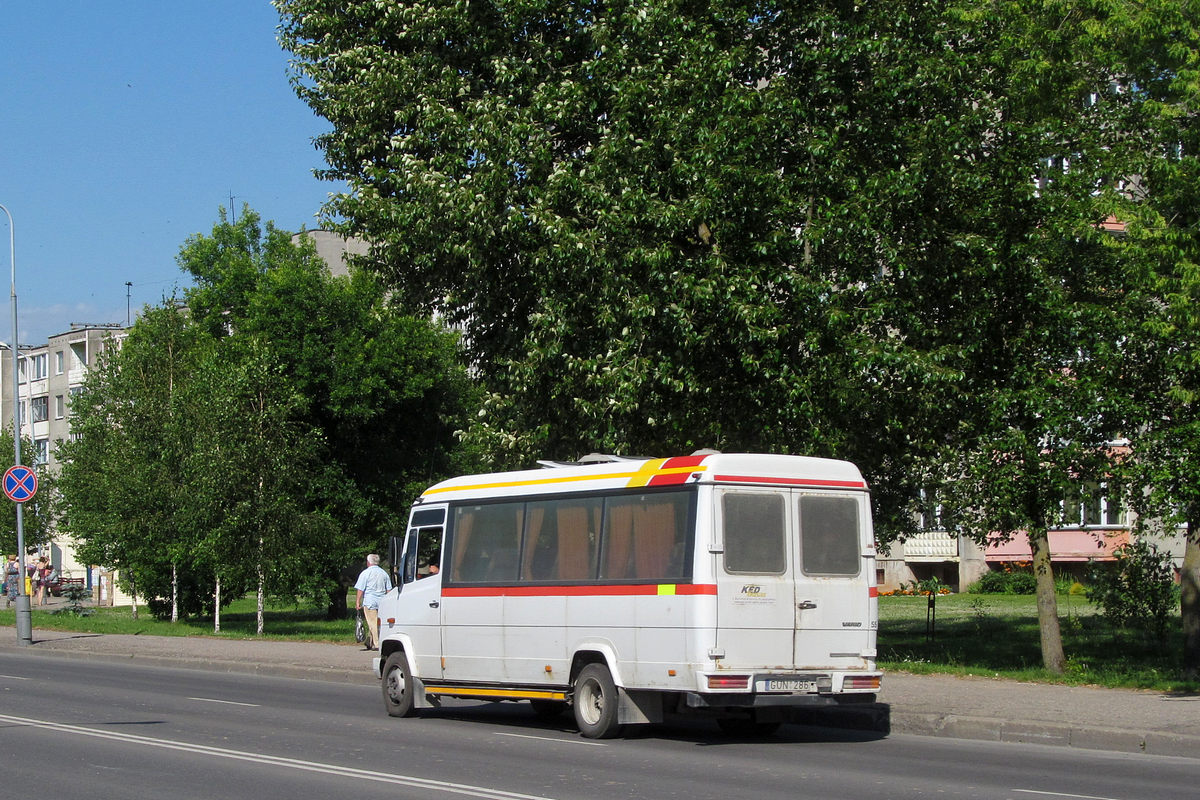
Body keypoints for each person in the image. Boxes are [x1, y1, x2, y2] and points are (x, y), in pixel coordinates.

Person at [354, 554, 392, 651]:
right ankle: (369, 642)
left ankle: (377, 644)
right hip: (382, 601)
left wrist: (358, 601)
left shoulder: (365, 573)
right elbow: (388, 590)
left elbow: (360, 589)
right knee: (378, 622)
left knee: (373, 623)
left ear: (368, 562)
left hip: (370, 601)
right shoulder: (384, 573)